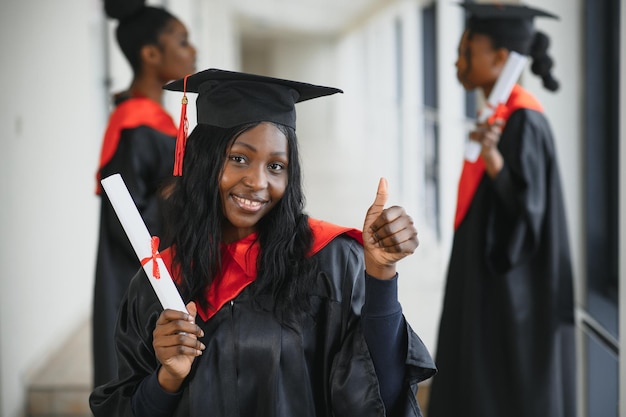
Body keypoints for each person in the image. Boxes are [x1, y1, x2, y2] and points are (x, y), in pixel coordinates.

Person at [89, 68, 436, 416]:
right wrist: (169, 377)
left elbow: (381, 394)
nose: (257, 182)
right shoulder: (160, 282)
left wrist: (381, 273)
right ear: (204, 160)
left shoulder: (332, 260)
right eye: (238, 158)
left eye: (276, 166)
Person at [427, 3, 575, 417]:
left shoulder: (524, 120)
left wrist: (495, 163)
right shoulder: (499, 115)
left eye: (466, 51)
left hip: (510, 289)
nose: (458, 62)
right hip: (485, 275)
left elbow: (530, 216)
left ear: (501, 58)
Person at [93, 0, 196, 388]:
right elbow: (125, 222)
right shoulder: (135, 126)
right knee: (140, 378)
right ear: (151, 55)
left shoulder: (155, 121)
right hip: (139, 282)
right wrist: (179, 199)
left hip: (159, 271)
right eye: (183, 41)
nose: (193, 50)